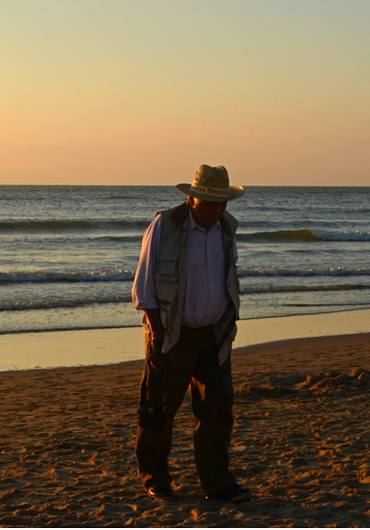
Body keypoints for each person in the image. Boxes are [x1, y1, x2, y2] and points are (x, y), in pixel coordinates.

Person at [131, 164, 252, 504]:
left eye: (223, 203)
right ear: (192, 199)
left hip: (214, 335)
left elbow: (228, 278)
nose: (218, 210)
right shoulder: (165, 225)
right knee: (158, 410)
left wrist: (228, 326)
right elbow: (144, 286)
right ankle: (156, 479)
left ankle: (217, 483)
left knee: (217, 412)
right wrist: (158, 333)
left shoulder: (226, 228)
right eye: (211, 203)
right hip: (172, 334)